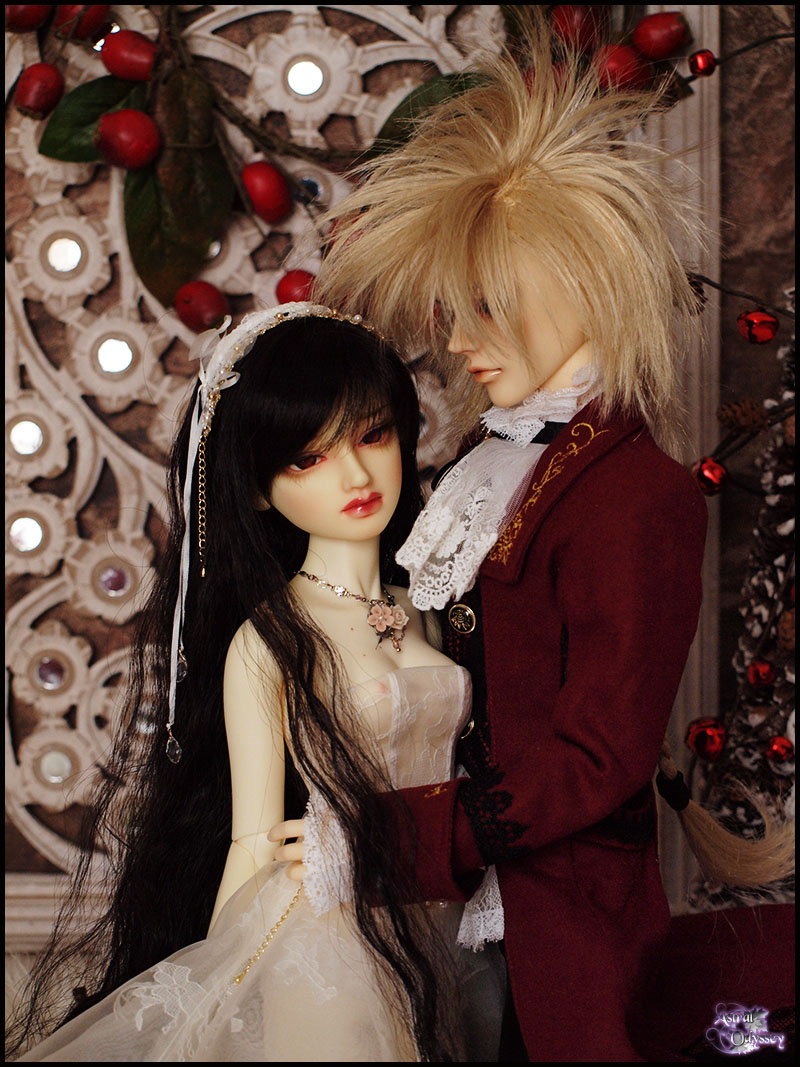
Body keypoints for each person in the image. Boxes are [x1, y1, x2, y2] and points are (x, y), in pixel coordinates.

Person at [287, 10, 794, 1061]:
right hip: (459, 902)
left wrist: (399, 838)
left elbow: (597, 756)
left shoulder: (634, 495)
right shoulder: (492, 460)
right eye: (452, 310)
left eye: (485, 304)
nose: (460, 341)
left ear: (573, 283)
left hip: (560, 916)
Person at [7, 304, 505, 1062]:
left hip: (444, 914)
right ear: (259, 490)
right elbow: (252, 841)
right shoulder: (269, 640)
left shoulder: (427, 608)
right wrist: (221, 994)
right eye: (308, 458)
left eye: (373, 435)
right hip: (332, 936)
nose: (356, 474)